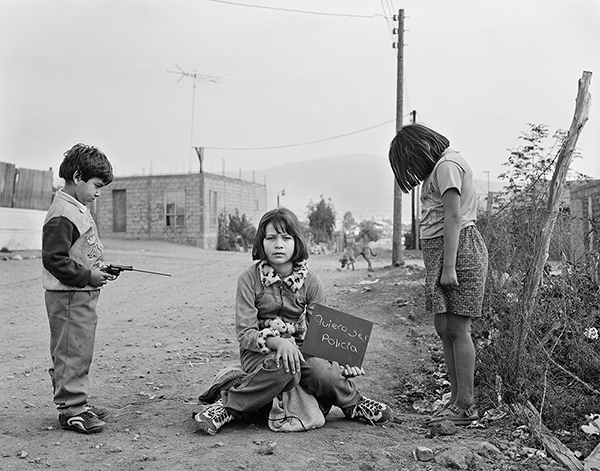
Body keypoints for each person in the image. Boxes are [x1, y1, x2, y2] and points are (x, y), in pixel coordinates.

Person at [192, 207, 392, 435]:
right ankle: (227, 407)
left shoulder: (311, 282)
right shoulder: (249, 279)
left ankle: (353, 403)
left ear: (297, 242)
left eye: (286, 238)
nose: (279, 244)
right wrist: (278, 344)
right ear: (261, 242)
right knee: (285, 369)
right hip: (259, 353)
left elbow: (322, 334)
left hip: (301, 350)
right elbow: (245, 333)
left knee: (323, 372)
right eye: (271, 238)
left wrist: (340, 362)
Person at [388, 124, 488, 426]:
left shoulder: (447, 165)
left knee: (458, 329)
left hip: (459, 254)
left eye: (412, 164)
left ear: (420, 150)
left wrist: (448, 267)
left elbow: (453, 216)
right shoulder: (441, 166)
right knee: (443, 327)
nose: (415, 171)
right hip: (442, 254)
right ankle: (456, 401)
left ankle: (466, 405)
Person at [42, 143, 114, 434]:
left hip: (80, 294)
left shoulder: (76, 207)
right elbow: (54, 259)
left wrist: (99, 271)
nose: (98, 192)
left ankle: (76, 402)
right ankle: (72, 409)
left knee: (79, 350)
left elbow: (78, 251)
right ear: (76, 176)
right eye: (96, 185)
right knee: (71, 352)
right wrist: (87, 277)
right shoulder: (62, 213)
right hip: (68, 296)